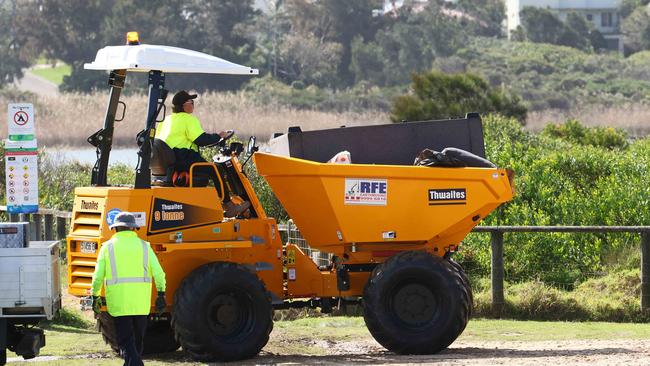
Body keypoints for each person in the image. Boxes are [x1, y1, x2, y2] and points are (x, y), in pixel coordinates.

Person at [155, 90, 250, 217]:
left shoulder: (165, 120)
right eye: (191, 102)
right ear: (183, 105)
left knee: (210, 170)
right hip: (184, 160)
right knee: (215, 169)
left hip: (171, 163)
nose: (193, 105)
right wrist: (219, 136)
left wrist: (214, 139)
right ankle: (228, 205)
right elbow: (201, 140)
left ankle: (218, 203)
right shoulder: (188, 119)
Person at [91, 212, 167, 366]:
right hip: (141, 303)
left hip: (119, 303)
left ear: (115, 229)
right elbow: (159, 273)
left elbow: (98, 276)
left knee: (126, 342)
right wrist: (161, 293)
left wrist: (95, 296)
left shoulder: (107, 248)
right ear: (134, 229)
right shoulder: (145, 247)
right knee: (137, 343)